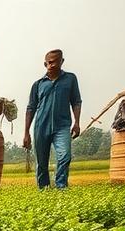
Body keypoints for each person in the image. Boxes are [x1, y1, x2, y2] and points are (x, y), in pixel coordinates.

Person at [23, 50, 82, 189]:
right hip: (41, 127)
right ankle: (44, 190)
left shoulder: (70, 79)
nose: (52, 65)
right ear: (45, 64)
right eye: (49, 62)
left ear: (62, 61)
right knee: (42, 163)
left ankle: (61, 187)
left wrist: (77, 122)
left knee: (65, 155)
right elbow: (31, 108)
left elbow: (76, 101)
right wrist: (26, 132)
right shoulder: (38, 84)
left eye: (55, 61)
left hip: (62, 126)